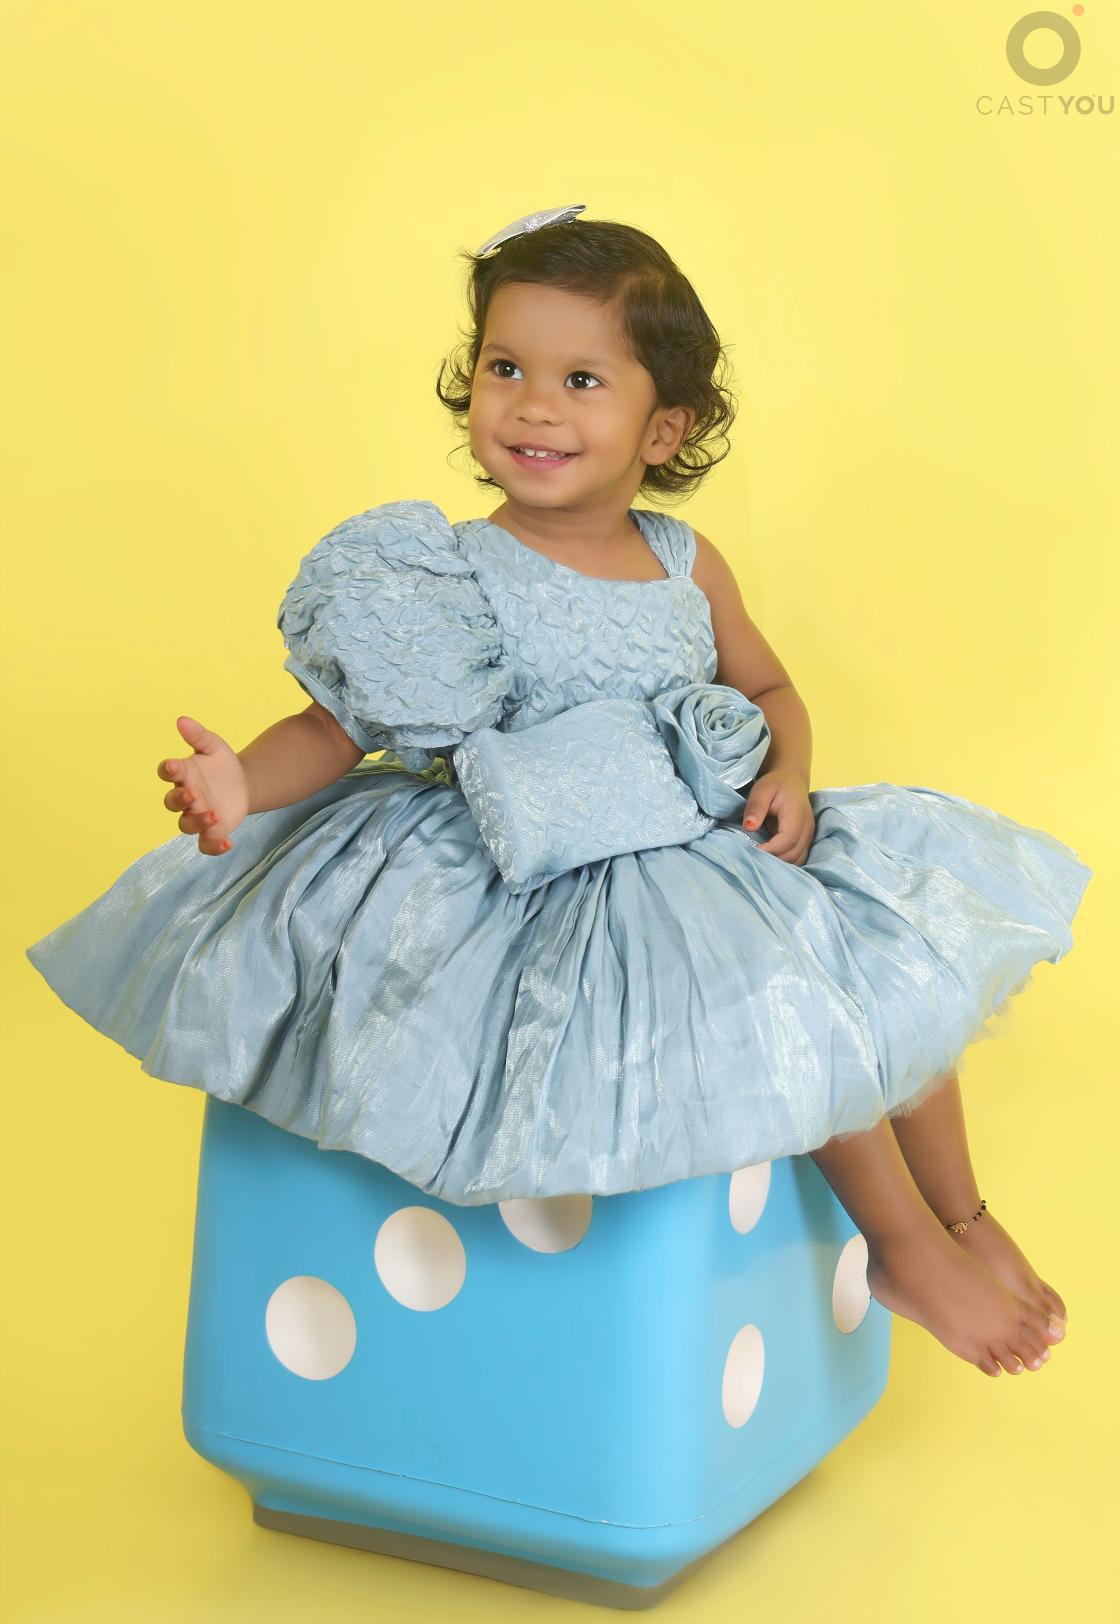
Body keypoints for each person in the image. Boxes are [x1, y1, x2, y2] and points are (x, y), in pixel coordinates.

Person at [25, 205, 1091, 1380]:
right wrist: (240, 781)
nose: (533, 406)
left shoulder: (685, 561)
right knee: (779, 996)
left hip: (687, 841)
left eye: (580, 380)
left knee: (885, 968)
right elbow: (336, 727)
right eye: (505, 369)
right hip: (528, 864)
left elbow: (768, 686)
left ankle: (961, 1215)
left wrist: (787, 771)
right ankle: (902, 1249)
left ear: (662, 426)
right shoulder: (446, 571)